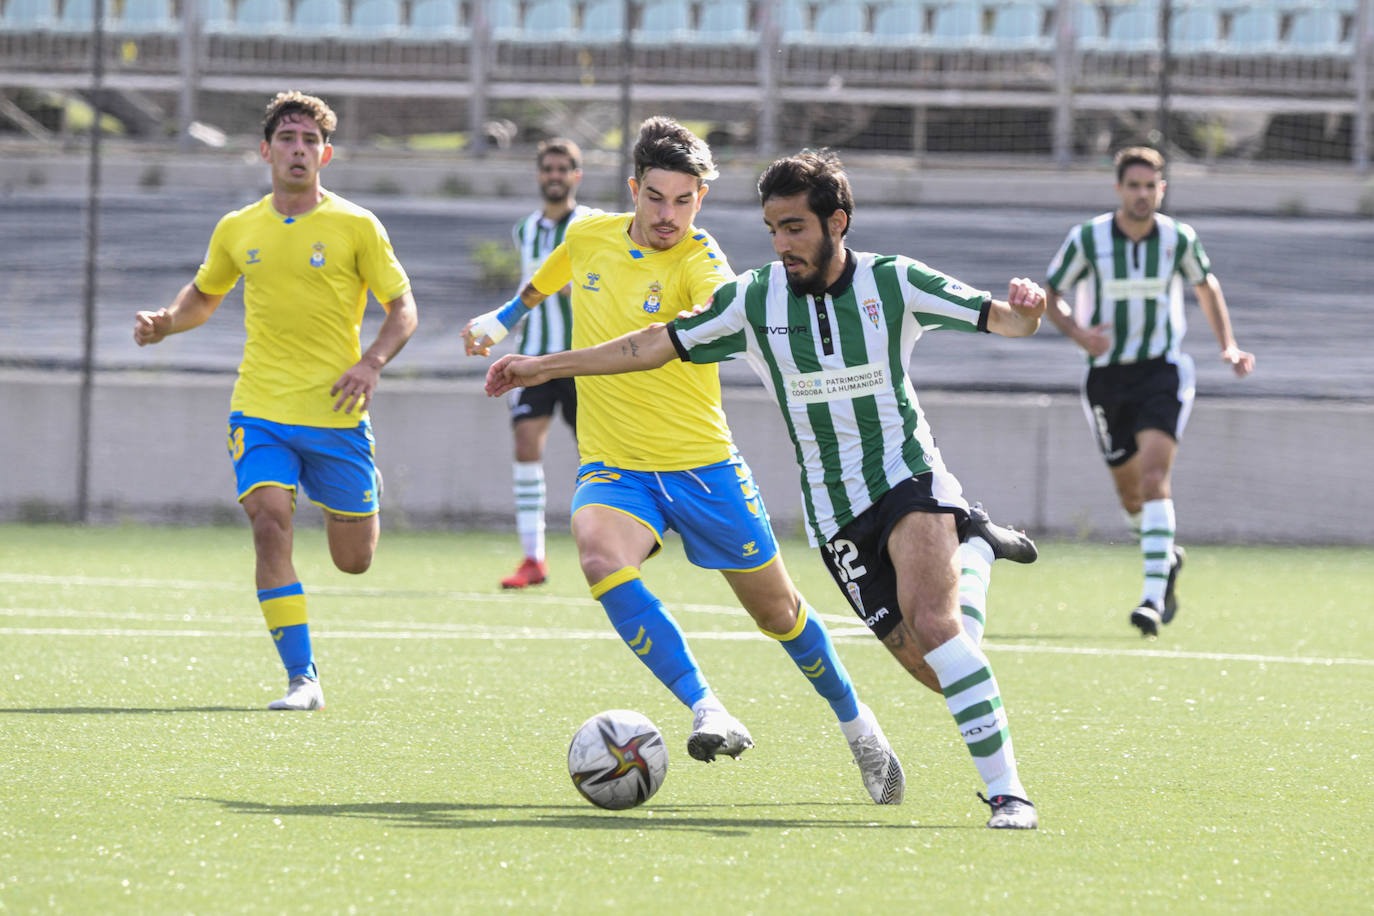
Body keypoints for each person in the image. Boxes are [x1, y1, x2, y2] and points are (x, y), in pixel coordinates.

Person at [484, 149, 1045, 829]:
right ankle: (976, 555)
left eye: (796, 229)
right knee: (939, 668)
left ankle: (1009, 797)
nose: (782, 245)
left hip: (905, 477)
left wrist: (1027, 310)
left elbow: (1004, 322)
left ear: (837, 221)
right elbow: (655, 343)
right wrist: (543, 366)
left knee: (933, 627)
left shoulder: (894, 282)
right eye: (773, 229)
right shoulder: (756, 298)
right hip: (833, 511)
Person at [464, 118, 904, 805]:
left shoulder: (704, 261)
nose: (669, 215)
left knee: (781, 614)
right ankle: (708, 707)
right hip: (616, 465)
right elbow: (549, 276)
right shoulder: (587, 238)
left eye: (685, 200)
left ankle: (860, 729)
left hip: (703, 468)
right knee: (600, 557)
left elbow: (688, 325)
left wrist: (540, 363)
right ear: (635, 191)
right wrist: (503, 317)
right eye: (657, 198)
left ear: (699, 200)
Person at [133, 91, 418, 711]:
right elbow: (203, 297)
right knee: (268, 521)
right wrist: (166, 323)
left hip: (337, 415)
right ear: (266, 150)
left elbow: (403, 309)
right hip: (260, 408)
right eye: (288, 138)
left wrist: (371, 363)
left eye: (310, 141)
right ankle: (302, 679)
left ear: (327, 154)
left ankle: (358, 494)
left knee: (354, 561)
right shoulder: (239, 227)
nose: (298, 149)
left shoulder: (356, 225)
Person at [1044, 146, 1254, 637]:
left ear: (1162, 189)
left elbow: (1206, 286)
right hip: (1106, 377)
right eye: (1133, 186)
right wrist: (1080, 334)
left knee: (1156, 476)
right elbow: (1051, 292)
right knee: (1131, 494)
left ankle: (1152, 597)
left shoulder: (1178, 239)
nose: (1142, 194)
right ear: (1119, 189)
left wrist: (1228, 346)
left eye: (1151, 186)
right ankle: (1167, 556)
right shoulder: (1089, 239)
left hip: (1162, 371)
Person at [497, 139, 592, 589]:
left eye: (563, 169)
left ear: (576, 175)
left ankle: (612, 544)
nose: (555, 175)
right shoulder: (525, 231)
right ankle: (533, 557)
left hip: (582, 359)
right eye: (548, 168)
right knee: (524, 444)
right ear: (539, 175)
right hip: (535, 356)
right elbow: (526, 292)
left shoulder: (590, 226)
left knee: (597, 455)